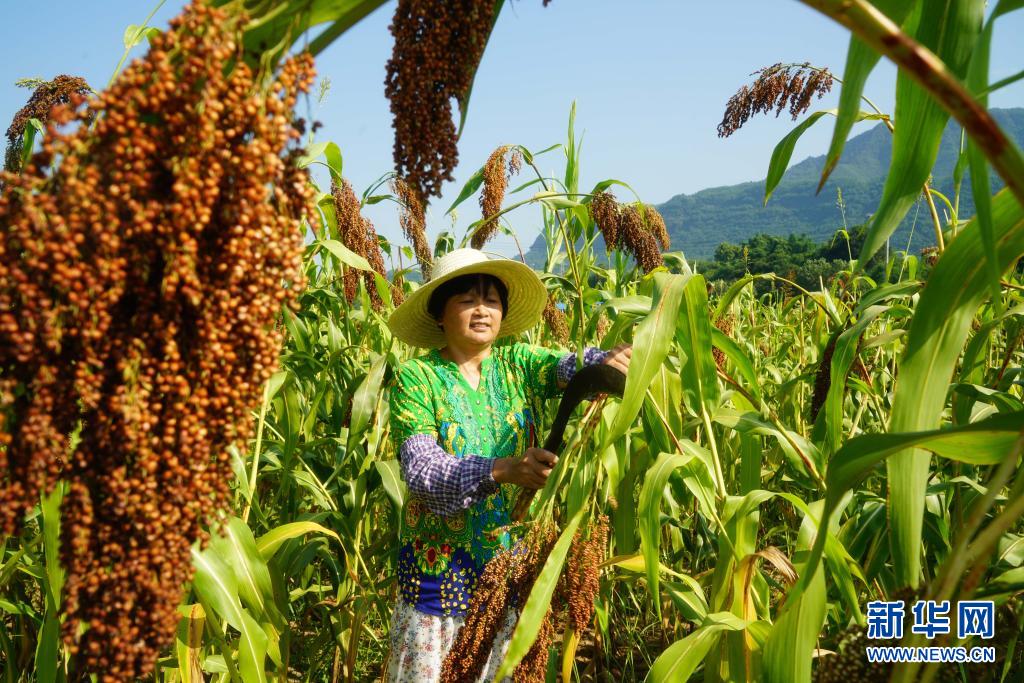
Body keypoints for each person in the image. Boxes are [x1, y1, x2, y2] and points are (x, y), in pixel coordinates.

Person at [383, 248, 631, 682]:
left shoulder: (517, 365)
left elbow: (568, 367)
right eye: (467, 299)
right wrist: (502, 470)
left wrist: (608, 360)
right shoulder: (416, 378)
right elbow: (423, 473)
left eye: (492, 300)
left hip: (509, 576)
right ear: (440, 313)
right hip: (439, 587)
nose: (482, 310)